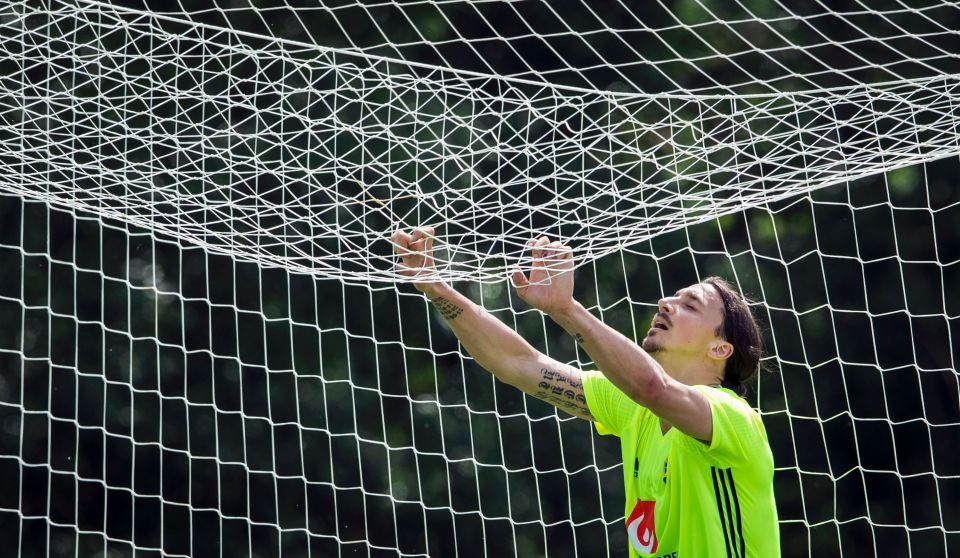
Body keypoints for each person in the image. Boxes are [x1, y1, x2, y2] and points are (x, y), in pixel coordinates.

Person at [390, 227, 780, 558]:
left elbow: (653, 387)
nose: (666, 302)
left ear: (720, 349)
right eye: (673, 296)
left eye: (690, 305)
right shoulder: (632, 408)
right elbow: (520, 365)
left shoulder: (733, 419)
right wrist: (436, 287)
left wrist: (565, 309)